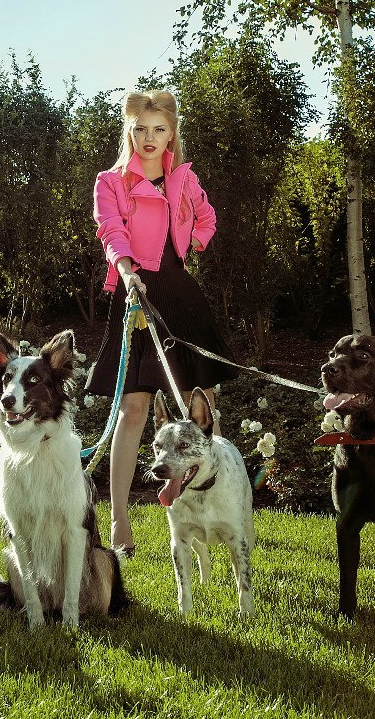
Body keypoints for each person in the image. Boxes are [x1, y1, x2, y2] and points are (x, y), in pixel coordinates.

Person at [84, 89, 239, 554]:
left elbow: (208, 221)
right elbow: (110, 229)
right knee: (133, 411)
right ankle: (119, 522)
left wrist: (193, 237)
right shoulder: (110, 182)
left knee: (202, 407)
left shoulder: (184, 179)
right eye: (140, 128)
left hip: (180, 296)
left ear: (171, 134)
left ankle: (213, 508)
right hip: (134, 294)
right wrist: (128, 271)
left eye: (159, 129)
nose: (149, 137)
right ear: (128, 131)